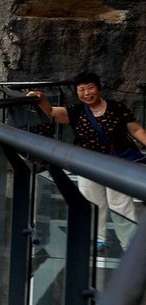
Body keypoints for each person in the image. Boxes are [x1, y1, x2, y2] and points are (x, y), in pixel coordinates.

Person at [28, 72, 146, 248]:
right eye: (81, 89)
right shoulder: (76, 112)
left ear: (98, 88)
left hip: (117, 163)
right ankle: (97, 239)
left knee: (120, 204)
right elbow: (52, 112)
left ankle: (129, 244)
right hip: (88, 163)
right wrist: (40, 98)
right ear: (77, 93)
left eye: (90, 87)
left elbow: (135, 130)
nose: (86, 93)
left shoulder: (117, 108)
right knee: (92, 202)